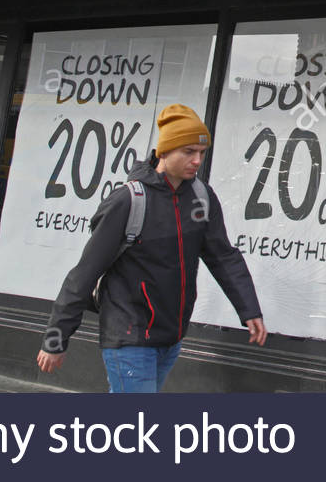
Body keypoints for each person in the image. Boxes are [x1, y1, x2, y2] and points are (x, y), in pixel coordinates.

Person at [36, 104, 265, 392]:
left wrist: (249, 309)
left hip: (170, 337)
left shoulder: (201, 198)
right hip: (129, 335)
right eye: (188, 151)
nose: (197, 161)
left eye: (201, 153)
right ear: (164, 151)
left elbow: (223, 256)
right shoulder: (128, 201)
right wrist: (56, 339)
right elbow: (84, 273)